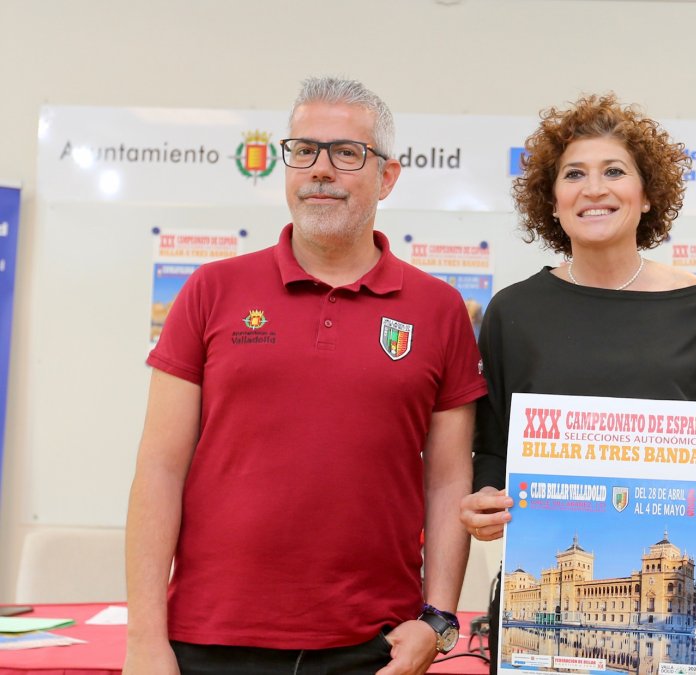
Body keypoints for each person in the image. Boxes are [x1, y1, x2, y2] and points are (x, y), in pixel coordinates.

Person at [124, 77, 487, 675]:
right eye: (303, 151)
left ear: (387, 177)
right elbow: (159, 470)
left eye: (347, 154)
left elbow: (449, 481)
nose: (321, 170)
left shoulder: (440, 308)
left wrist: (438, 619)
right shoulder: (211, 291)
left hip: (374, 646)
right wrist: (144, 637)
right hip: (209, 640)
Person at [457, 93, 696, 670]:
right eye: (574, 173)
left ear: (647, 193)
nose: (594, 188)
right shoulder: (513, 312)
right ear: (551, 201)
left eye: (614, 171)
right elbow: (493, 446)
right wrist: (483, 498)